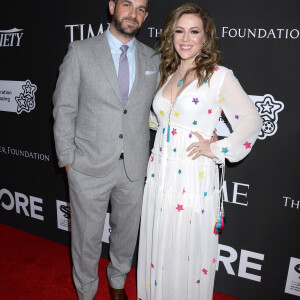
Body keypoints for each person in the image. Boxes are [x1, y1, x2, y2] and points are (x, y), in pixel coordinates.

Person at [137, 3, 262, 300]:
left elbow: (252, 120)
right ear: (171, 35)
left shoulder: (219, 76)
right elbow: (160, 120)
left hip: (192, 176)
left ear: (206, 38)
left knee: (184, 251)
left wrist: (217, 147)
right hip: (160, 172)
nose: (186, 38)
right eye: (179, 31)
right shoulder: (169, 72)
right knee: (160, 246)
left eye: (194, 31)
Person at [52, 0, 160, 299]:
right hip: (87, 167)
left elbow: (166, 107)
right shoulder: (81, 52)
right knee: (86, 239)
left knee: (126, 236)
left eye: (141, 8)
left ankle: (117, 283)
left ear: (146, 15)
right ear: (112, 6)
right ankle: (86, 291)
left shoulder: (153, 58)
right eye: (127, 4)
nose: (133, 13)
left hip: (134, 168)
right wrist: (69, 163)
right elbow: (64, 109)